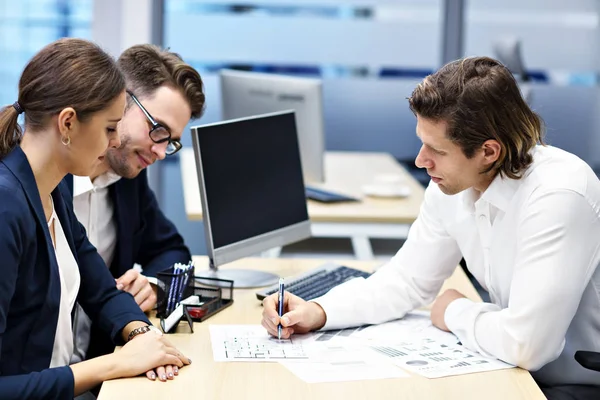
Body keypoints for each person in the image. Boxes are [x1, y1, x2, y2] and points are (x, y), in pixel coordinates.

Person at [261, 57, 600, 399]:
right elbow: (407, 281)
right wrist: (319, 311)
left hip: (573, 383)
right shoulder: (455, 184)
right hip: (506, 365)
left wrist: (453, 309)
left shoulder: (558, 194)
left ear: (488, 151)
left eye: (437, 150)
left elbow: (528, 345)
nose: (422, 161)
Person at [0, 38, 190, 400]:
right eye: (109, 128)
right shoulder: (6, 209)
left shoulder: (50, 193)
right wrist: (117, 364)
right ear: (68, 123)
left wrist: (143, 339)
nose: (117, 141)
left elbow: (101, 290)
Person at [64, 44, 205, 365]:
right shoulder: (47, 185)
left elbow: (172, 251)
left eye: (171, 142)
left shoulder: (127, 179)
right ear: (119, 101)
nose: (159, 151)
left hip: (100, 364)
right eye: (158, 130)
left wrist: (154, 286)